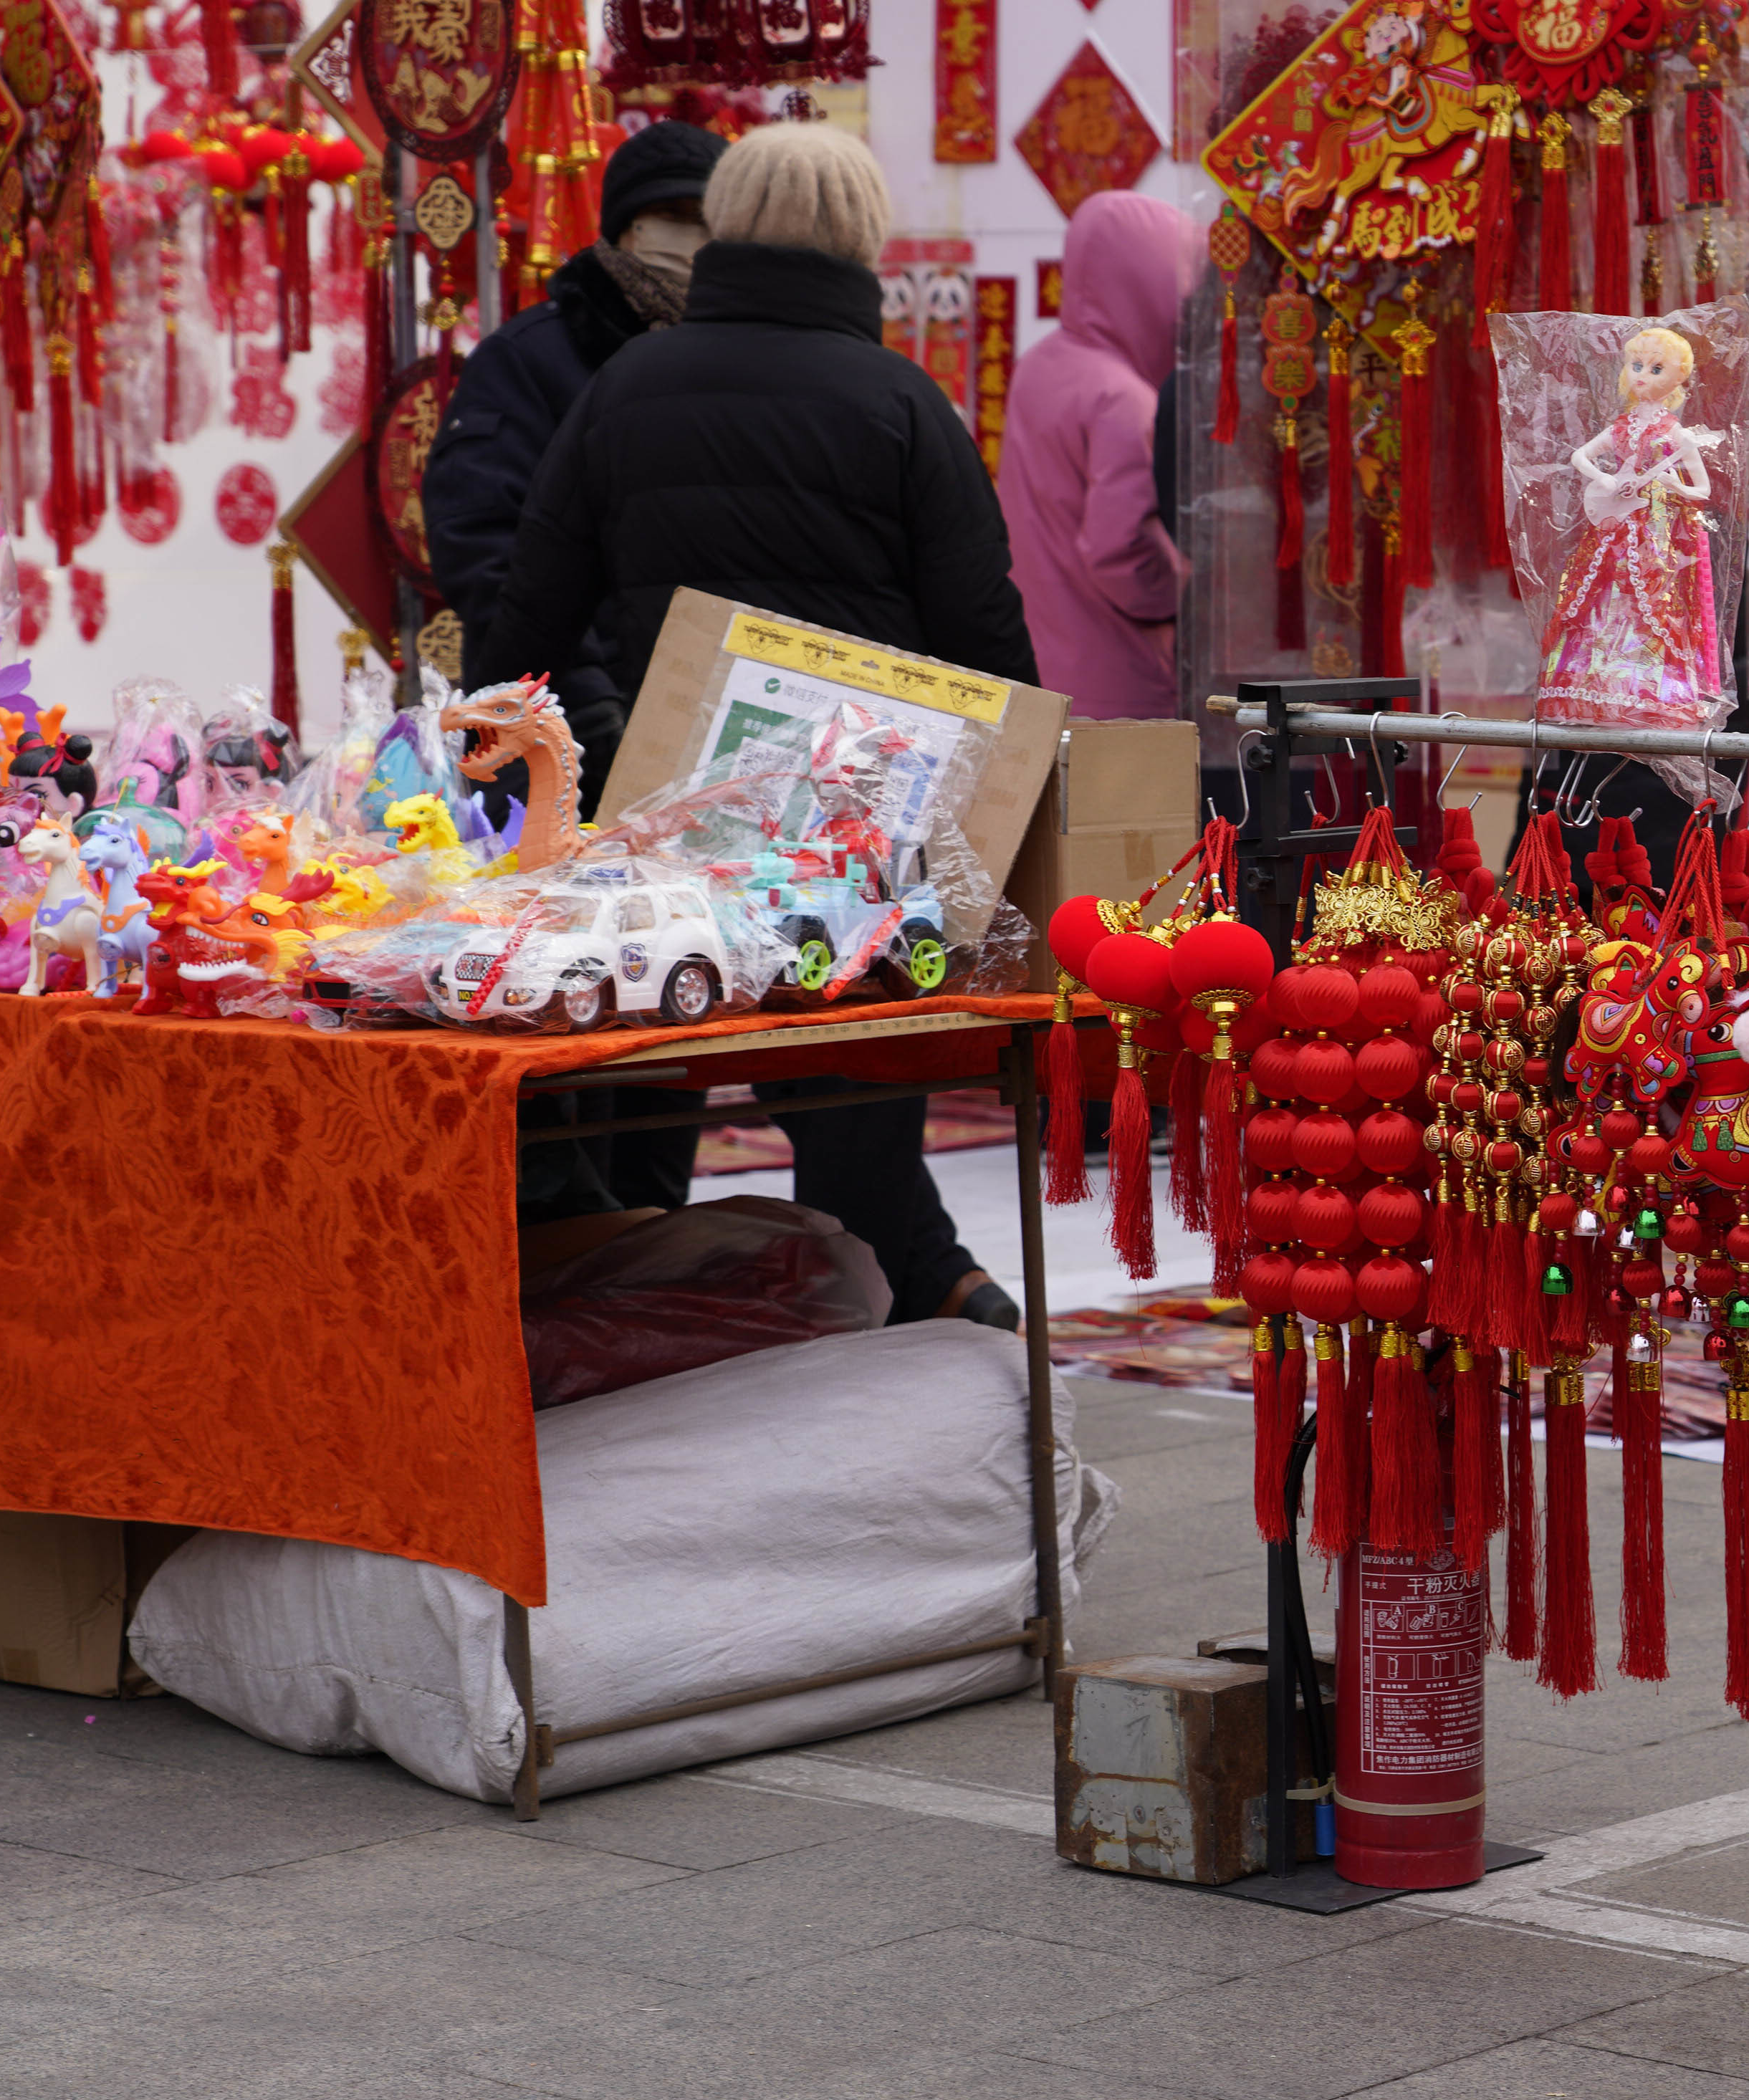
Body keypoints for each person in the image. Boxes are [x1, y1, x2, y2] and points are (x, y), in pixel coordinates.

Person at [479, 125, 1038, 1331]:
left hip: (665, 845)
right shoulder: (903, 405)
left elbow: (522, 620)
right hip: (855, 858)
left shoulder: (627, 387)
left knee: (641, 1118)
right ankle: (888, 1347)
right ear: (862, 237)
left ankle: (663, 1338)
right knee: (850, 1120)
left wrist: (531, 796)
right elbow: (988, 644)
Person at [424, 121, 726, 780]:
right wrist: (589, 708)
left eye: (704, 219)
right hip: (559, 734)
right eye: (667, 217)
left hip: (713, 723)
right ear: (623, 227)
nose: (688, 238)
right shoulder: (528, 359)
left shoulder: (741, 362)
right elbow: (483, 542)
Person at [997, 190, 1196, 721]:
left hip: (1043, 661)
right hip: (1118, 681)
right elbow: (1121, 551)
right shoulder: (1122, 396)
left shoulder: (1040, 365)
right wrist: (1199, 591)